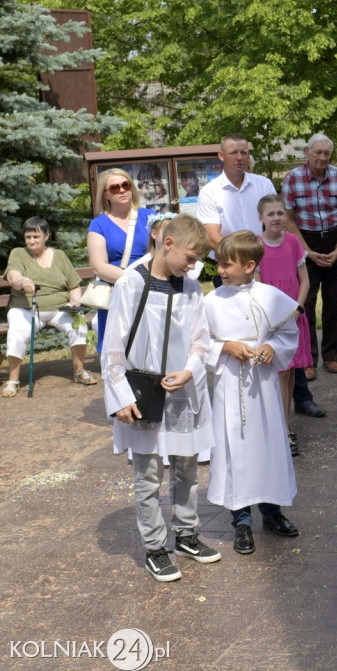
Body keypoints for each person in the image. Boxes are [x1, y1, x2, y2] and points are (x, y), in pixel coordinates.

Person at [102, 215, 220, 582]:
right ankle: (155, 546)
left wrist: (189, 370)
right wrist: (120, 396)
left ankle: (186, 533)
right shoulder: (131, 285)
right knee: (148, 472)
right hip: (145, 394)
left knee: (187, 465)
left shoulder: (191, 289)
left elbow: (201, 341)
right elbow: (113, 350)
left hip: (181, 391)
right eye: (190, 256)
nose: (194, 265)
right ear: (167, 243)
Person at [205, 231, 301, 556]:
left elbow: (288, 333)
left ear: (249, 265)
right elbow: (198, 343)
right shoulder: (212, 301)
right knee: (237, 451)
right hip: (231, 387)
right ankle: (241, 522)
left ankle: (272, 514)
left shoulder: (269, 296)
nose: (220, 270)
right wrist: (225, 347)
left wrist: (272, 347)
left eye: (227, 264)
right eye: (218, 263)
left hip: (263, 386)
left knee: (269, 447)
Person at [281, 133, 337, 379]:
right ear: (307, 152)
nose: (322, 158)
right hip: (305, 239)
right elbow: (289, 221)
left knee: (334, 302)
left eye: (327, 153)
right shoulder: (292, 179)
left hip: (334, 238)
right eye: (318, 152)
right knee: (307, 302)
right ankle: (309, 359)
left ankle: (331, 356)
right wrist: (307, 252)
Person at [2, 217, 93, 397]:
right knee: (17, 333)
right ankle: (13, 380)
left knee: (79, 325)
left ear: (46, 236)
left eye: (36, 236)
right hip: (26, 308)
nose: (31, 241)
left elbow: (74, 285)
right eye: (28, 237)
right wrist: (23, 281)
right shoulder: (18, 253)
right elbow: (13, 276)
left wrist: (75, 301)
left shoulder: (59, 256)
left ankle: (79, 371)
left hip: (60, 308)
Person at [257, 194, 312, 456]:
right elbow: (256, 286)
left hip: (293, 314)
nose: (277, 218)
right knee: (279, 372)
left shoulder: (292, 242)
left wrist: (298, 308)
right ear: (261, 219)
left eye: (280, 213)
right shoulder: (257, 246)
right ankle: (280, 428)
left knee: (290, 373)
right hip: (271, 317)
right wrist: (275, 315)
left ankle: (285, 423)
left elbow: (305, 280)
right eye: (271, 214)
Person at [87, 169, 154, 353]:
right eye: (115, 187)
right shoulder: (98, 224)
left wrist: (149, 282)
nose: (122, 190)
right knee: (118, 349)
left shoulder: (149, 216)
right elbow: (98, 266)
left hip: (151, 290)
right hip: (117, 291)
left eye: (126, 185)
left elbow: (162, 251)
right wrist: (133, 281)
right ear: (106, 194)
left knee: (150, 345)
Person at [197, 133, 276, 254]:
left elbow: (276, 223)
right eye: (233, 152)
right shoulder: (209, 192)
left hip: (264, 258)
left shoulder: (264, 184)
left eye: (244, 153)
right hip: (230, 262)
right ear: (221, 155)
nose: (239, 157)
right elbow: (212, 238)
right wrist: (243, 258)